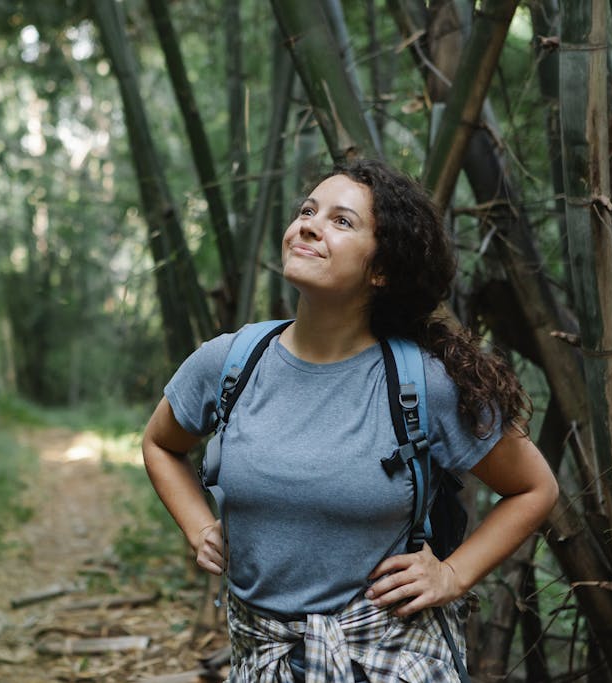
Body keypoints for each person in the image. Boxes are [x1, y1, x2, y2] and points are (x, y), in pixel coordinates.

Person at [141, 158, 559, 682]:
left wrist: (452, 575)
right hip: (262, 656)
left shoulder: (421, 383)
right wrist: (199, 524)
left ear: (380, 270)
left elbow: (534, 488)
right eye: (308, 211)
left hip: (386, 659)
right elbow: (159, 444)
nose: (309, 224)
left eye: (342, 221)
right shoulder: (230, 362)